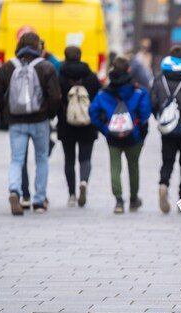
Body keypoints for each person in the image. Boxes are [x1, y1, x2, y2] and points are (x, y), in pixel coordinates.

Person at [0, 32, 61, 215]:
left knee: (16, 159)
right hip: (40, 120)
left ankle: (15, 190)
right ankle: (39, 200)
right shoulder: (46, 67)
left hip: (16, 121)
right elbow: (55, 96)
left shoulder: (8, 67)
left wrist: (6, 114)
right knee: (41, 159)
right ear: (38, 46)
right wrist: (49, 115)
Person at [89, 57, 151, 214]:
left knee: (115, 167)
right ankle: (133, 199)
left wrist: (105, 128)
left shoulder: (104, 93)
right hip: (134, 137)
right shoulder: (138, 90)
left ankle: (118, 201)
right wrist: (137, 128)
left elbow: (93, 111)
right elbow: (145, 112)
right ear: (128, 70)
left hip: (113, 136)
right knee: (133, 166)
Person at [150, 45, 181, 214]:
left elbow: (153, 101)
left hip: (167, 128)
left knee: (167, 160)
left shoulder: (159, 77)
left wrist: (160, 119)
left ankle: (163, 183)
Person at [57, 46, 101, 207]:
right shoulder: (91, 77)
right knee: (85, 158)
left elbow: (55, 99)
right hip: (87, 124)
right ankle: (83, 182)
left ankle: (72, 195)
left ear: (65, 57)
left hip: (66, 123)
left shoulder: (60, 76)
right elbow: (98, 100)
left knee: (69, 159)